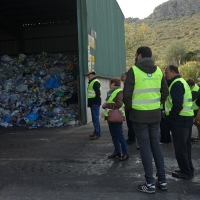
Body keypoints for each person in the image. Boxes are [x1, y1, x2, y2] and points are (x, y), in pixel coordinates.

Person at [123, 46, 169, 193]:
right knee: (156, 145)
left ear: (140, 55)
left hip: (139, 116)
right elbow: (165, 91)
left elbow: (127, 95)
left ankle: (149, 184)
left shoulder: (133, 71)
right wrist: (157, 104)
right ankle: (162, 181)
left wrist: (129, 109)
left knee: (145, 147)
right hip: (155, 115)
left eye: (136, 55)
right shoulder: (159, 71)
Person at [165, 65, 194, 179]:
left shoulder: (176, 84)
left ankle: (186, 171)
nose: (166, 75)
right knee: (186, 147)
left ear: (173, 72)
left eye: (167, 73)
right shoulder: (182, 81)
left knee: (180, 148)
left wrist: (170, 119)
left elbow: (178, 105)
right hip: (186, 118)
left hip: (180, 120)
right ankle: (187, 168)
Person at [102, 77, 129, 161]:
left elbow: (119, 104)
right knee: (114, 135)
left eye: (110, 83)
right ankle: (117, 151)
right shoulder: (111, 92)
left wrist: (106, 105)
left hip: (116, 116)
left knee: (119, 135)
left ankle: (125, 153)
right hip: (111, 116)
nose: (109, 85)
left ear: (114, 84)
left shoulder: (119, 92)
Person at [121, 72, 136, 145]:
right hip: (129, 107)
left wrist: (128, 106)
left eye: (122, 76)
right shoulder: (127, 84)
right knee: (130, 124)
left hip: (130, 107)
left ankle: (131, 138)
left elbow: (127, 96)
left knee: (131, 124)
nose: (121, 78)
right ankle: (131, 137)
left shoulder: (129, 85)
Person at [86, 70, 101, 140]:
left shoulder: (95, 82)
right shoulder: (93, 82)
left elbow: (98, 93)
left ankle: (97, 133)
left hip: (94, 103)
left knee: (95, 119)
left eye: (89, 75)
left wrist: (95, 102)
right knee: (95, 118)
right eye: (88, 75)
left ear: (93, 75)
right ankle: (97, 132)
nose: (88, 76)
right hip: (94, 102)